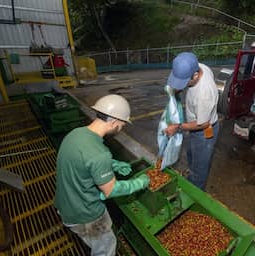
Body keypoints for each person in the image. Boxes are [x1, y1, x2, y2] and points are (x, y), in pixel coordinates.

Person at [54, 94, 150, 256]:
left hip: (65, 205)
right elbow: (110, 191)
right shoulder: (100, 155)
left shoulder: (76, 134)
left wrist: (113, 164)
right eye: (122, 124)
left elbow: (83, 159)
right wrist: (140, 183)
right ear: (113, 122)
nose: (121, 128)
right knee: (106, 247)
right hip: (85, 215)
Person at [165, 52, 219, 190]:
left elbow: (203, 124)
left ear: (195, 75)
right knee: (191, 152)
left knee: (200, 166)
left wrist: (177, 127)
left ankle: (196, 191)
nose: (181, 86)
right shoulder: (200, 67)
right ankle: (192, 173)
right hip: (195, 123)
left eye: (184, 82)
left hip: (204, 130)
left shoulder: (204, 94)